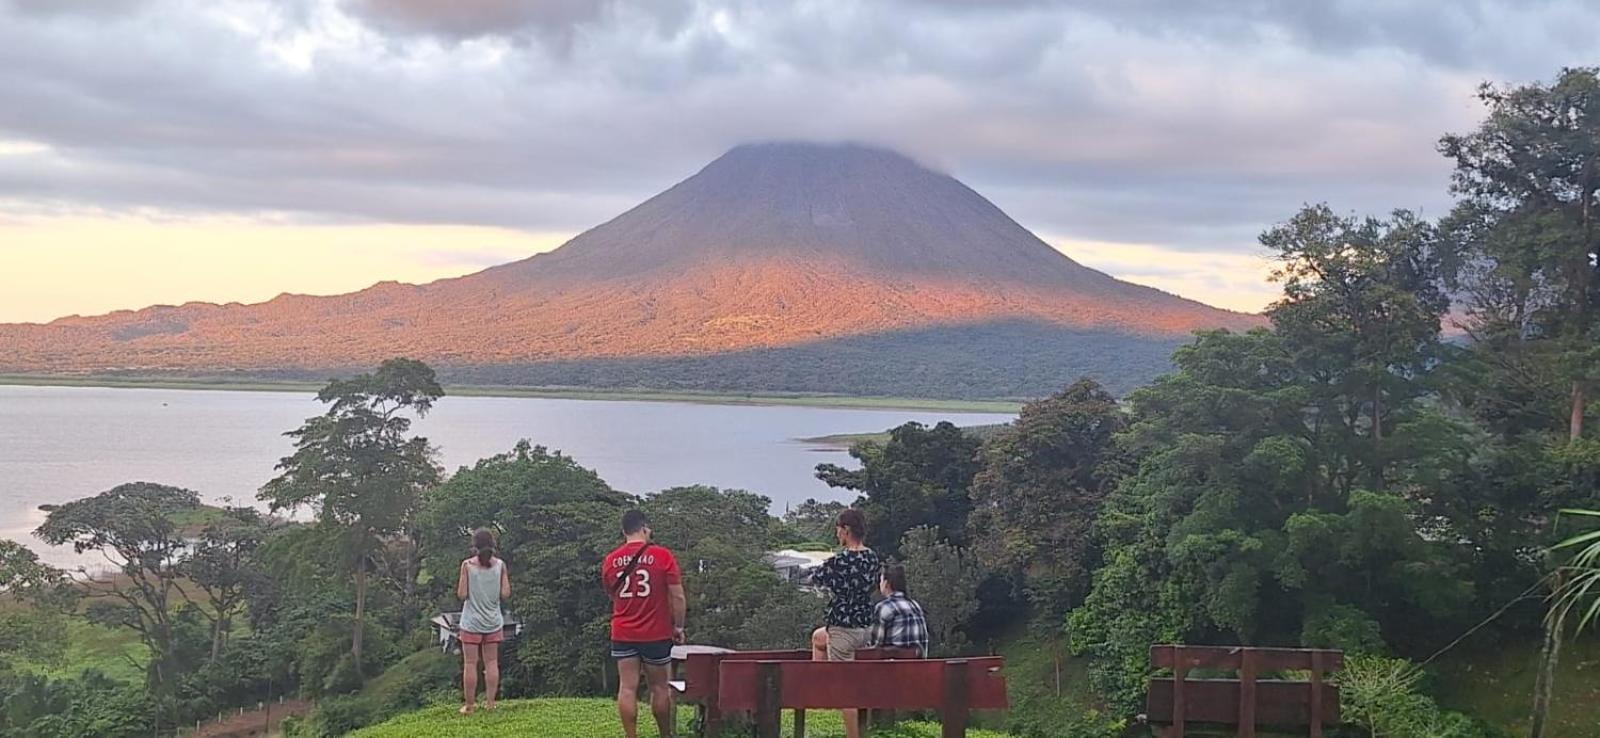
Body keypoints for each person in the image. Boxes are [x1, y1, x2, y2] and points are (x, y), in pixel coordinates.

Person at [602, 509, 687, 738]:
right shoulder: (662, 556)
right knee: (659, 687)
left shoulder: (611, 560)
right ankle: (665, 734)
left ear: (624, 531)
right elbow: (677, 596)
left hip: (623, 632)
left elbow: (612, 594)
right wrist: (678, 627)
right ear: (644, 528)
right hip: (656, 633)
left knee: (627, 687)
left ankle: (631, 735)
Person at [808, 508, 880, 738]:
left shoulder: (840, 561)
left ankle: (853, 736)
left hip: (842, 628)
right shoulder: (872, 557)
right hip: (865, 628)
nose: (837, 532)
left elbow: (816, 578)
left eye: (838, 528)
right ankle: (818, 689)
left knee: (846, 691)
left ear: (846, 530)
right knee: (819, 638)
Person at [456, 528, 510, 714]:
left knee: (470, 664)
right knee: (491, 662)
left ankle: (470, 705)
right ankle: (490, 703)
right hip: (493, 621)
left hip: (471, 622)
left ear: (475, 546)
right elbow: (505, 593)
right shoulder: (500, 566)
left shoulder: (467, 566)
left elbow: (462, 594)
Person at [869, 563, 929, 658]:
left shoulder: (884, 607)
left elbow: (875, 646)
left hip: (893, 669)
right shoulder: (915, 605)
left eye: (880, 581)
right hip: (919, 669)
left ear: (886, 584)